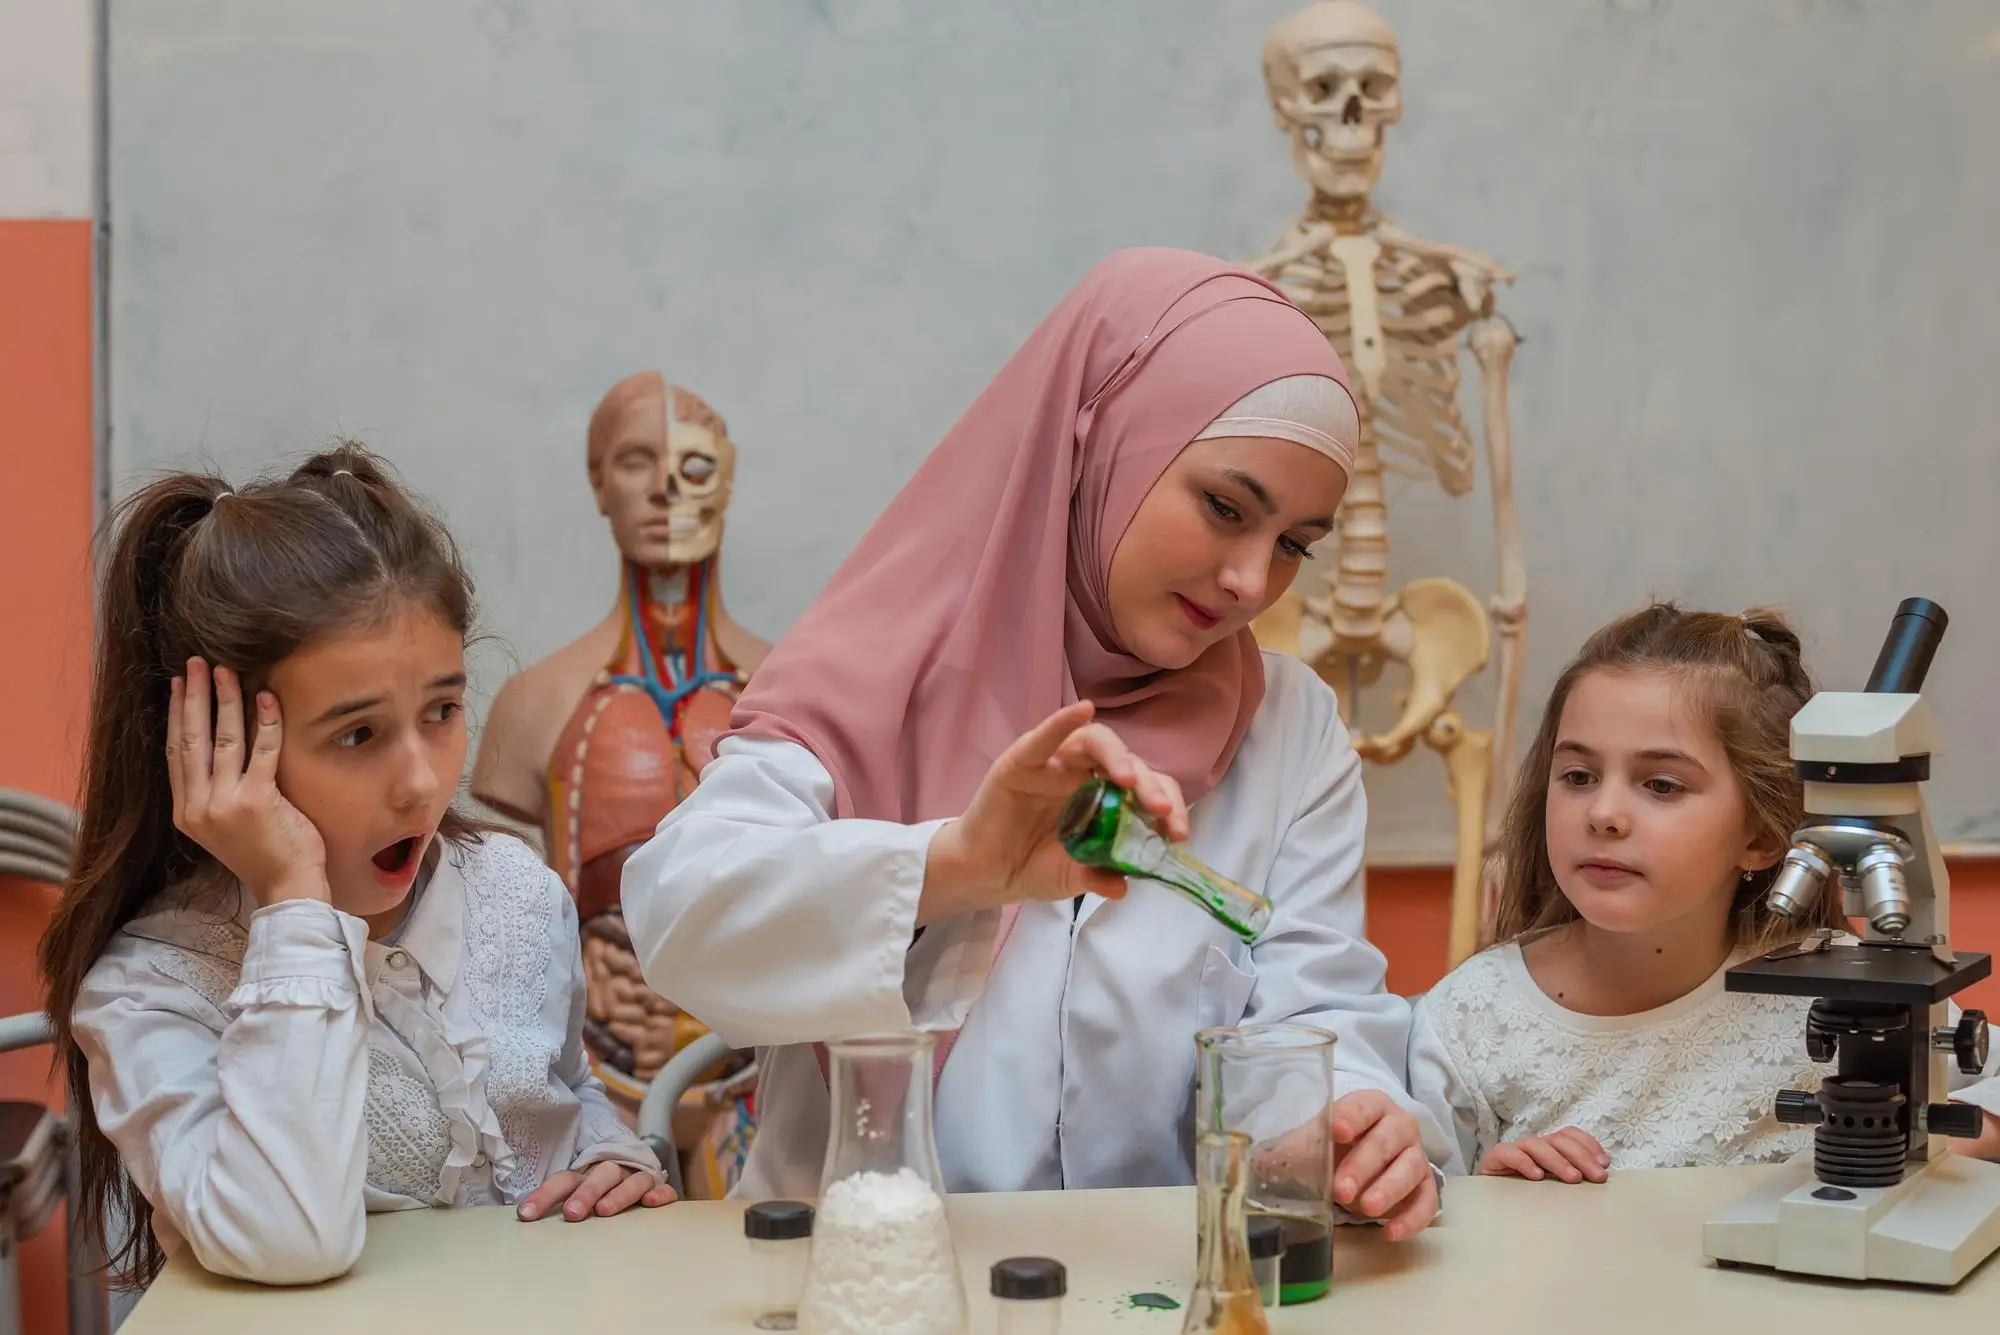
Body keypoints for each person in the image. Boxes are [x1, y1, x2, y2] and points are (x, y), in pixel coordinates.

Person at [622, 247, 1446, 1239]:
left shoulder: (1289, 725)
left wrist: (1341, 1124)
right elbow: (682, 917)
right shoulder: (871, 674)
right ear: (1097, 442)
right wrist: (954, 867)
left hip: (1147, 1283)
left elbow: (1307, 1010)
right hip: (873, 1276)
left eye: (1292, 545)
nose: (1247, 582)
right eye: (1224, 508)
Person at [39, 445, 674, 1290]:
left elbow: (558, 1094)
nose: (421, 782)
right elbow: (288, 1236)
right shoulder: (151, 990)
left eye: (443, 710)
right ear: (218, 747)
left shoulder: (519, 895)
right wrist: (293, 906)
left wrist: (610, 1153)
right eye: (357, 734)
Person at [1407, 603, 2000, 1181]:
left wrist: (1953, 1145)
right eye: (1579, 777)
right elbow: (1416, 1200)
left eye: (1661, 785)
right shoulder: (1470, 1021)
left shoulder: (1843, 999)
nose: (1604, 813)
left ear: (1764, 839)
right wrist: (1487, 1190)